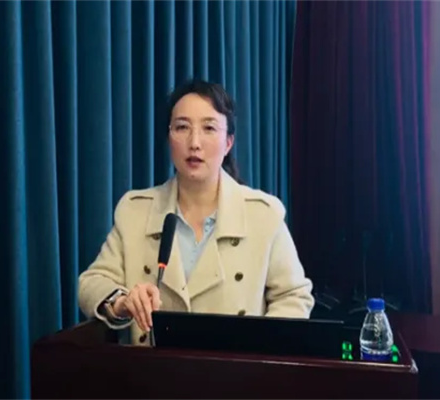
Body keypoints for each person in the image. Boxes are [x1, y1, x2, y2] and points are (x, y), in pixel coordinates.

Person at [78, 80, 314, 345]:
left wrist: (260, 349)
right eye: (182, 127)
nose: (194, 143)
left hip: (233, 368)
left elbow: (294, 296)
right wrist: (122, 302)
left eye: (209, 128)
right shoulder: (135, 211)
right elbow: (91, 282)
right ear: (169, 137)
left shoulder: (263, 215)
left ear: (228, 142)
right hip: (154, 368)